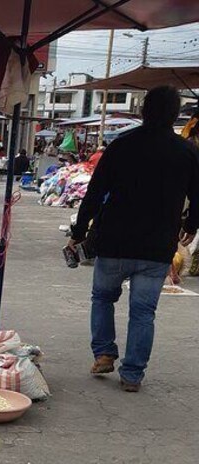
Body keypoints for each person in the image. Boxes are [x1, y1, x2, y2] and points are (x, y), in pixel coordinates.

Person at [69, 86, 198, 392]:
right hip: (157, 246)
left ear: (143, 111)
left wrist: (78, 233)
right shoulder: (188, 153)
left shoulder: (121, 145)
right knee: (143, 311)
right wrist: (192, 225)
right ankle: (133, 375)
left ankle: (103, 353)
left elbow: (95, 193)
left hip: (114, 240)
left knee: (103, 297)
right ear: (174, 115)